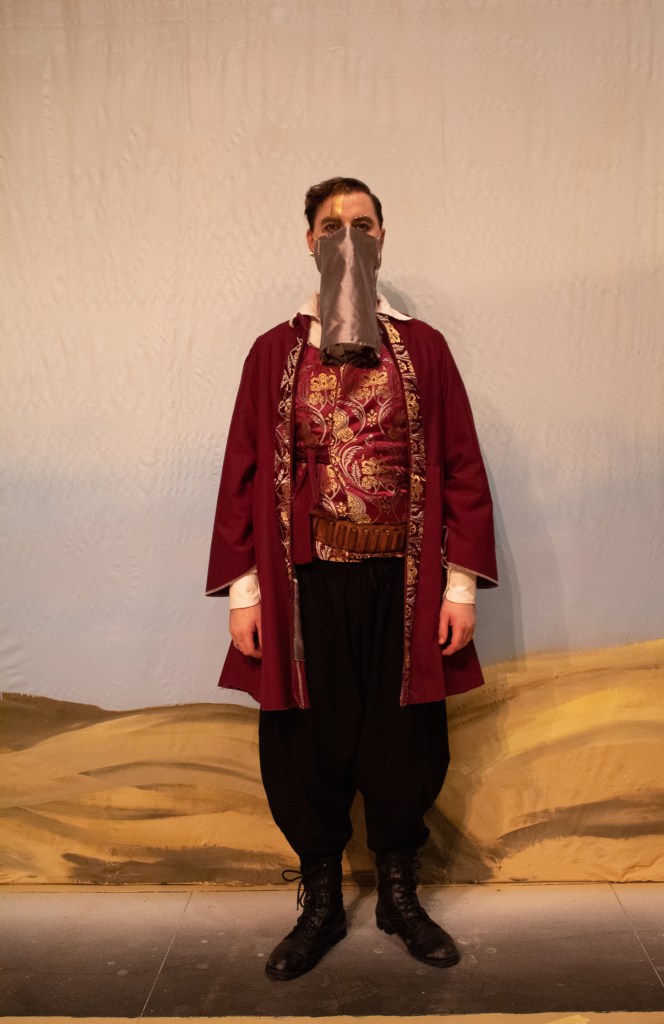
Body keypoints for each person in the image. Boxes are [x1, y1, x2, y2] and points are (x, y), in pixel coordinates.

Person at [206, 177, 497, 981]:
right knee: (305, 742)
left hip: (403, 584)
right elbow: (242, 472)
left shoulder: (423, 348)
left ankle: (400, 895)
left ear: (382, 237)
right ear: (308, 240)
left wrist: (459, 588)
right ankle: (322, 901)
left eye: (362, 224)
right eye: (331, 225)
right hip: (303, 586)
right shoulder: (273, 352)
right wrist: (244, 594)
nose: (347, 238)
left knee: (405, 738)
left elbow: (460, 467)